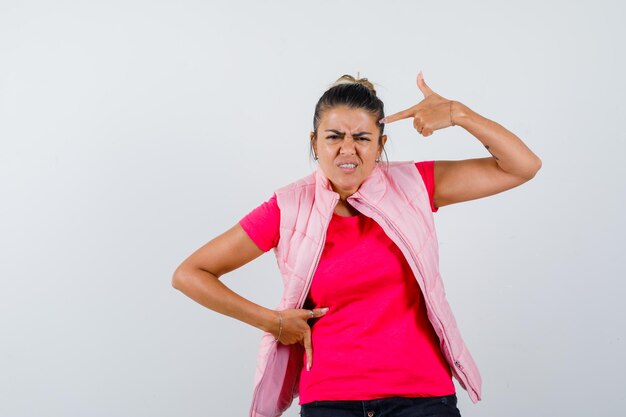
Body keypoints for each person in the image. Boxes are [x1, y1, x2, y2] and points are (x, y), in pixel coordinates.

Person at [172, 72, 542, 417]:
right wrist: (272, 321)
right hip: (332, 401)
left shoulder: (414, 184)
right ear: (314, 142)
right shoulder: (288, 207)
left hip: (423, 400)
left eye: (362, 138)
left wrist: (459, 114)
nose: (347, 149)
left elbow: (521, 166)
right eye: (334, 136)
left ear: (381, 144)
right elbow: (190, 274)